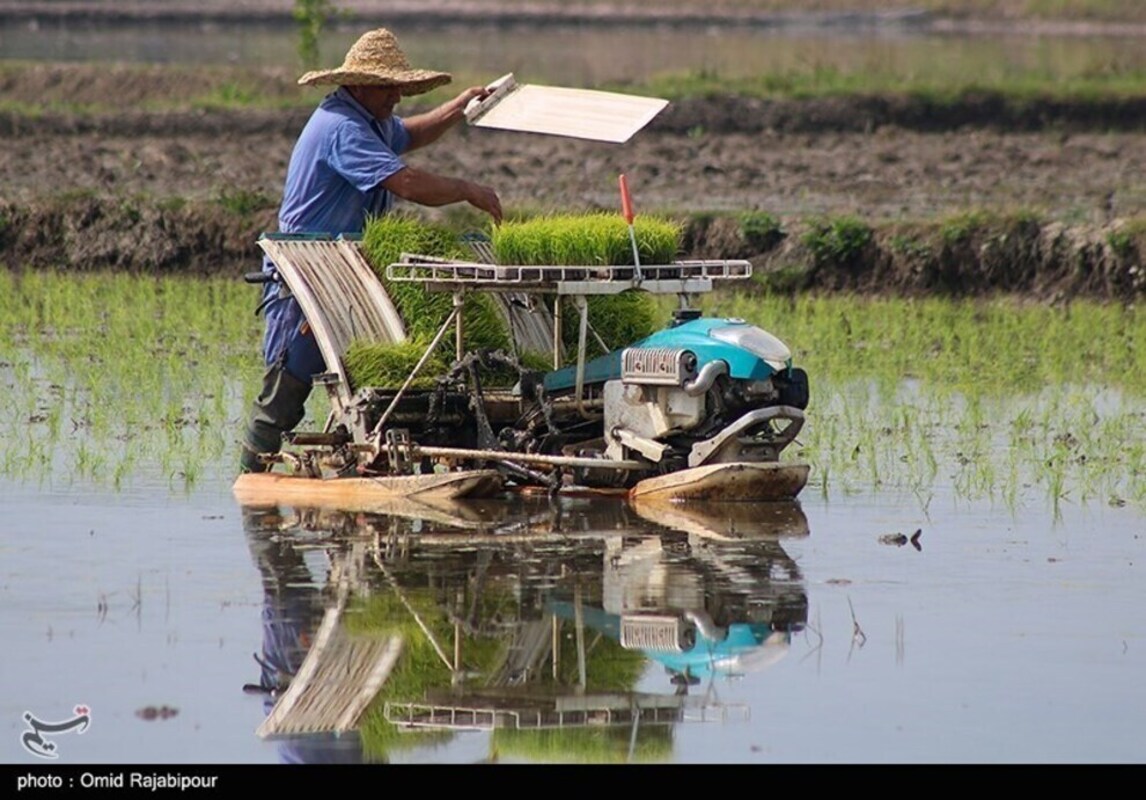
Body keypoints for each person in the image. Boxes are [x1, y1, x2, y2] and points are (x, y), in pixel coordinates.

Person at [240, 27, 503, 473]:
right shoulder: (341, 128)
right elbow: (404, 181)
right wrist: (466, 189)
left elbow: (410, 134)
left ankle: (354, 467)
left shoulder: (371, 119)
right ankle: (251, 481)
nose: (397, 96)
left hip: (347, 273)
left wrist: (458, 108)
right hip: (307, 277)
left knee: (360, 379)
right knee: (286, 392)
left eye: (400, 86)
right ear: (359, 84)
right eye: (389, 87)